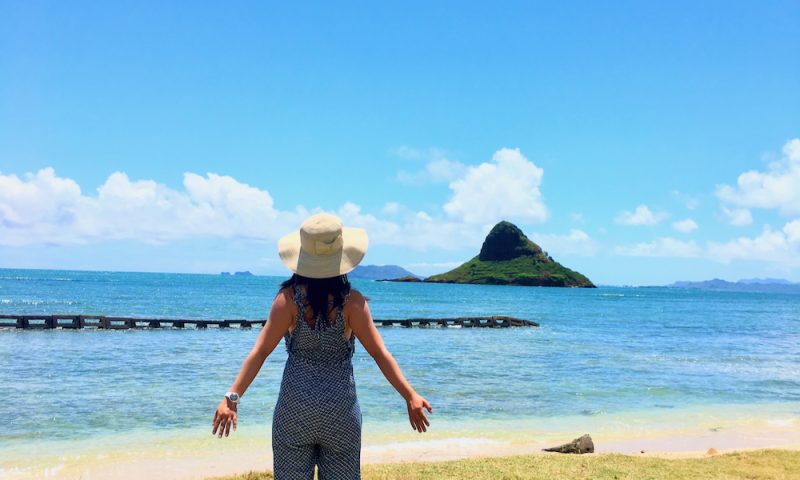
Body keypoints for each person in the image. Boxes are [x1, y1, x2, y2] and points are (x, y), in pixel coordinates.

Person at [212, 212, 433, 479]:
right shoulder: (352, 303)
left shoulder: (287, 301)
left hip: (295, 410)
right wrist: (409, 395)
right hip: (341, 412)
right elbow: (379, 353)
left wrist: (232, 397)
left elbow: (260, 352)